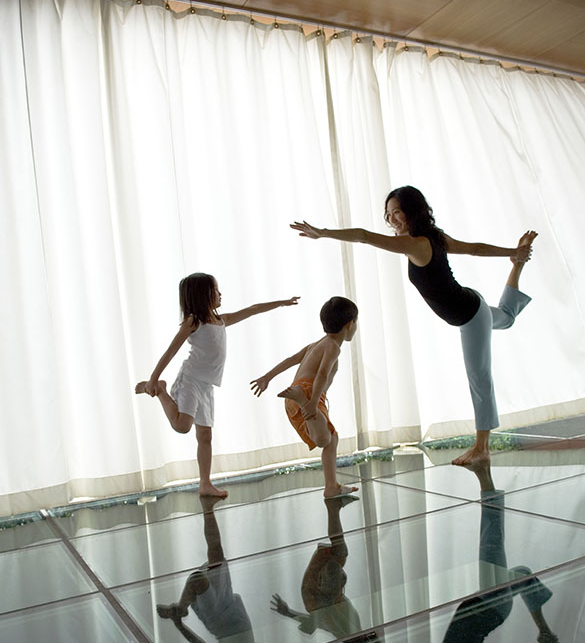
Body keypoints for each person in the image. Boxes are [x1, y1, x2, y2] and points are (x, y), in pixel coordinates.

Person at [291, 186, 537, 465]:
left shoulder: (417, 243)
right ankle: (517, 267)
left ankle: (482, 448)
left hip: (469, 314)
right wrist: (515, 254)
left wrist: (323, 232)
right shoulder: (433, 238)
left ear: (412, 211)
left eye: (397, 212)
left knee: (479, 377)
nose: (392, 219)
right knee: (506, 318)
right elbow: (474, 249)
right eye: (388, 214)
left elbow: (364, 236)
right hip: (470, 308)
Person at [335, 462, 565, 643]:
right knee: (492, 538)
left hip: (492, 608)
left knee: (519, 573)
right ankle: (483, 471)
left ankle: (543, 627)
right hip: (490, 603)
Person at [136, 272, 299, 497]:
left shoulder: (222, 320)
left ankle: (205, 483)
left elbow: (252, 310)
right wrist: (154, 379)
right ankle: (162, 391)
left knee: (205, 437)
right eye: (216, 290)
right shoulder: (193, 322)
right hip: (191, 380)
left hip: (207, 386)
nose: (221, 294)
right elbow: (171, 350)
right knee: (182, 426)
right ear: (203, 295)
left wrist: (281, 303)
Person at [156, 495, 310, 643]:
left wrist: (179, 625)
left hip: (217, 616)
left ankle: (181, 608)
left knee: (198, 577)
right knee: (216, 552)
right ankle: (207, 507)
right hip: (226, 601)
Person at [251, 296, 359, 498]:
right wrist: (310, 402)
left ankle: (331, 486)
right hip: (309, 394)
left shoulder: (317, 344)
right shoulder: (333, 347)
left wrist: (267, 377)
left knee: (331, 439)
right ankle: (331, 485)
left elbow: (292, 359)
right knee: (324, 439)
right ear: (349, 324)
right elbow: (322, 374)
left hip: (293, 395)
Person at [271, 496, 387, 643]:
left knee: (338, 555)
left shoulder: (350, 634)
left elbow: (318, 620)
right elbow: (321, 623)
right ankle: (334, 509)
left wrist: (290, 613)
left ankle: (333, 507)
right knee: (339, 553)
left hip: (320, 594)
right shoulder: (350, 635)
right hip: (323, 594)